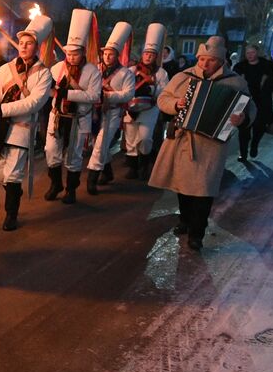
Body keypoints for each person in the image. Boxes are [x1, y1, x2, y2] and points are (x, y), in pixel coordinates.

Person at [149, 36, 254, 251]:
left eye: (211, 60)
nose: (205, 64)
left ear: (221, 61)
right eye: (202, 59)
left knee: (204, 189)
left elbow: (250, 108)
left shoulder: (235, 82)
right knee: (183, 186)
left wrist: (242, 118)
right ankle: (185, 220)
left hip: (211, 145)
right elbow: (163, 99)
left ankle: (197, 232)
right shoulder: (183, 77)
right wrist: (176, 104)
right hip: (182, 140)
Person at [0, 14, 54, 230]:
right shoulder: (5, 69)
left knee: (12, 175)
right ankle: (14, 192)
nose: (23, 47)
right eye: (22, 43)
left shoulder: (44, 74)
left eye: (29, 43)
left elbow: (34, 103)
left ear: (37, 47)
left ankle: (11, 214)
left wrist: (3, 108)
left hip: (21, 130)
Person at [43, 9, 103, 205]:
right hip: (58, 116)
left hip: (80, 120)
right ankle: (55, 184)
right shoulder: (56, 68)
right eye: (68, 53)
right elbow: (48, 90)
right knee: (51, 151)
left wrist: (66, 93)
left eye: (75, 53)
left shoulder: (92, 71)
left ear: (83, 52)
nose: (71, 57)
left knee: (74, 155)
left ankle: (71, 190)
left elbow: (94, 96)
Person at [87, 20, 135, 194]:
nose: (107, 57)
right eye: (105, 53)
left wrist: (107, 95)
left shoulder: (126, 73)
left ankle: (91, 179)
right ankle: (107, 173)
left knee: (100, 144)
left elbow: (129, 94)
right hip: (94, 113)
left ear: (117, 55)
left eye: (111, 54)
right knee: (96, 144)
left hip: (113, 113)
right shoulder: (94, 69)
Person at [122, 22, 169, 179]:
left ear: (156, 56)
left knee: (145, 138)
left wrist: (152, 89)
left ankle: (144, 163)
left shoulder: (161, 72)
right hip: (131, 108)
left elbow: (164, 91)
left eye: (152, 54)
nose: (148, 56)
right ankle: (132, 168)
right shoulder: (131, 70)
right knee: (130, 139)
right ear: (142, 55)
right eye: (146, 53)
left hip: (150, 109)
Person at [232, 44, 273, 162]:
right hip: (244, 103)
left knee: (259, 128)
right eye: (248, 53)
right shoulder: (240, 68)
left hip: (262, 103)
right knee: (243, 129)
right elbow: (233, 85)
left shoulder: (267, 67)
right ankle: (243, 154)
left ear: (257, 53)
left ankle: (255, 144)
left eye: (252, 52)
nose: (250, 55)